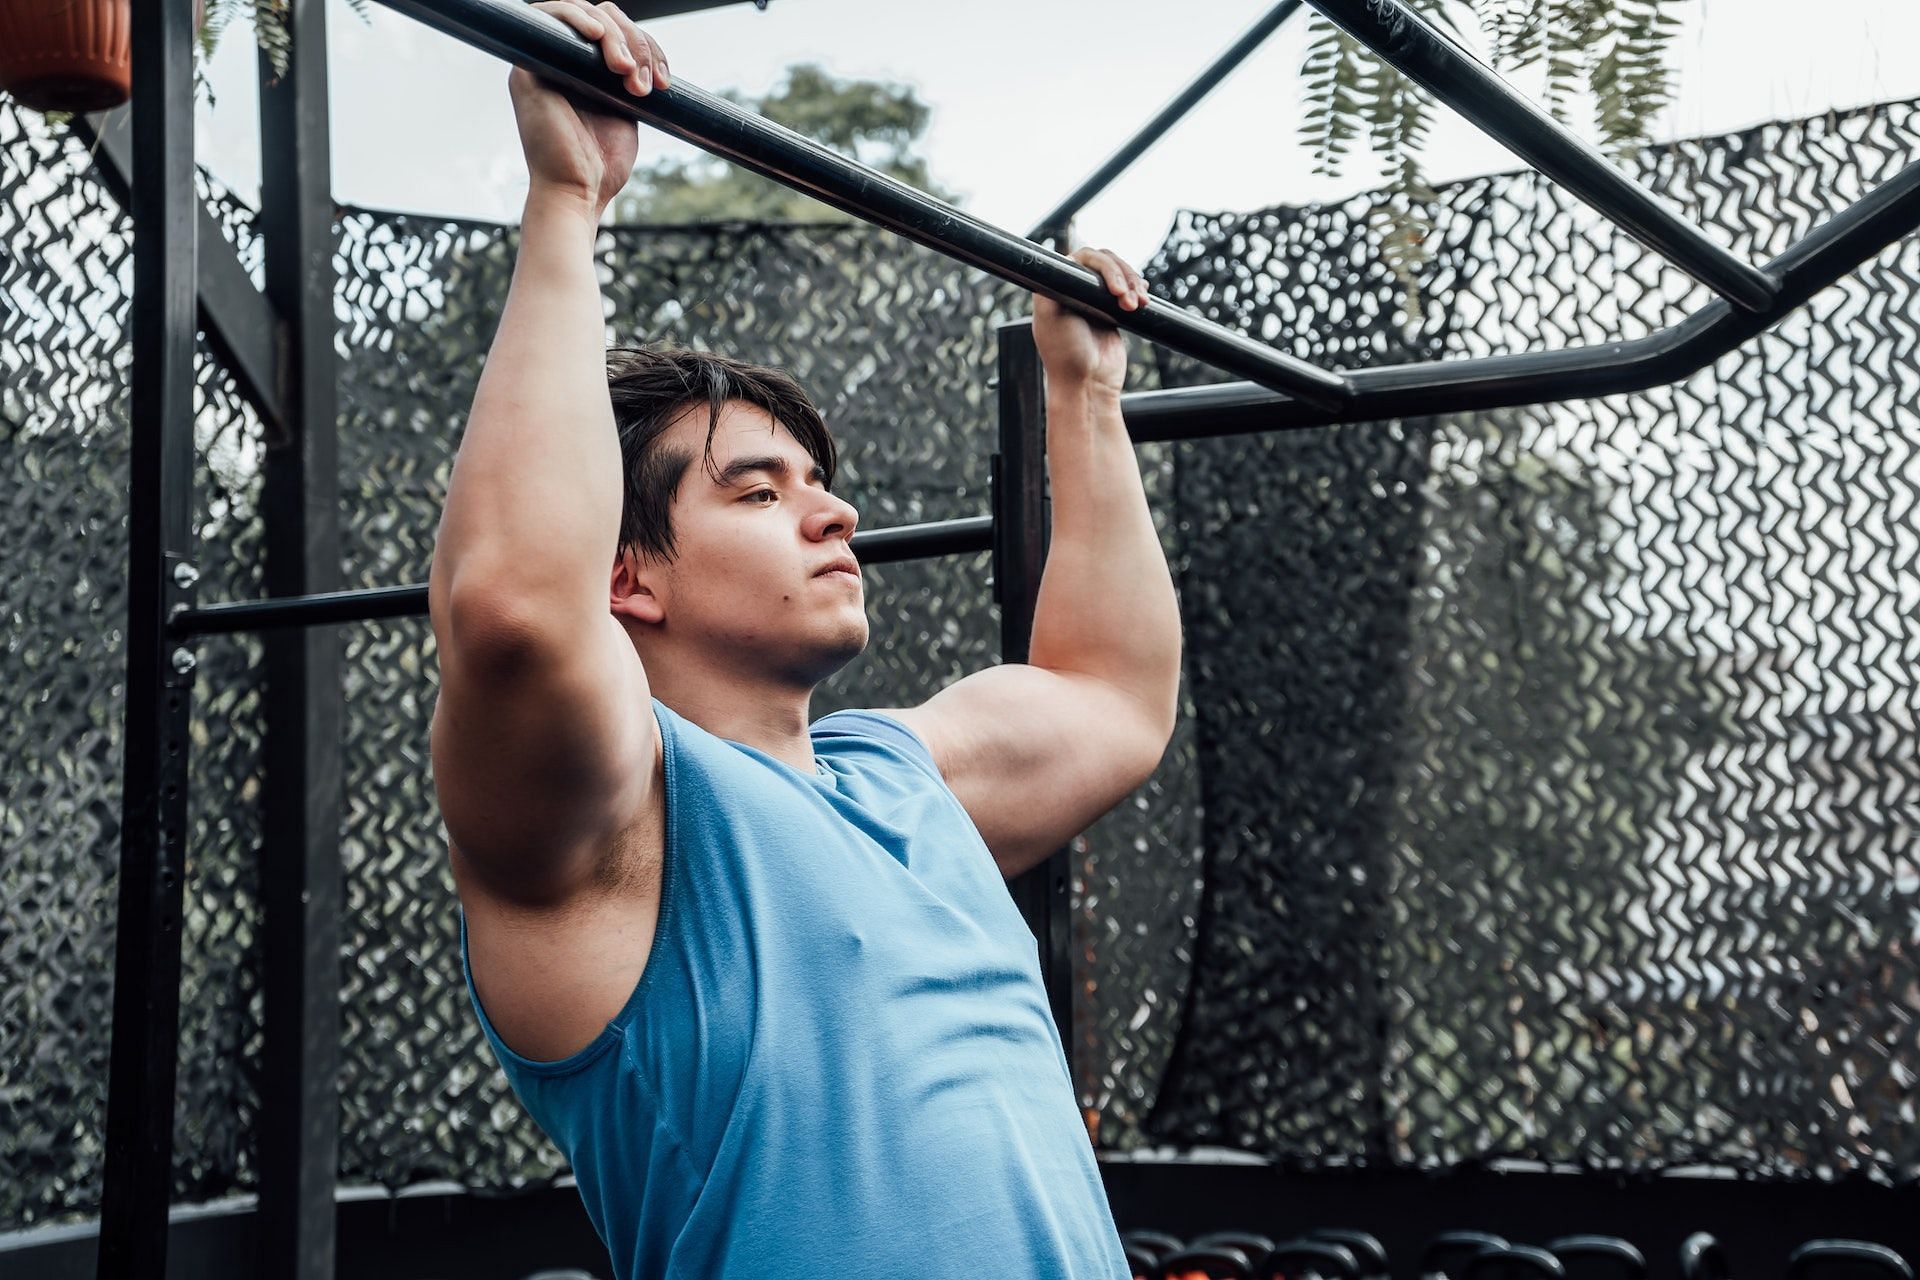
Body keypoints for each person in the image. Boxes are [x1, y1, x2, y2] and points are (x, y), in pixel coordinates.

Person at [426, 4, 1182, 1276]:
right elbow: (512, 606)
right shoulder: (622, 831)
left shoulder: (906, 776)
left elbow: (1111, 694)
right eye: (759, 490)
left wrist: (1085, 400)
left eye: (816, 480)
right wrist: (567, 200)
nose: (835, 508)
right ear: (628, 575)